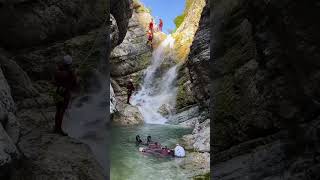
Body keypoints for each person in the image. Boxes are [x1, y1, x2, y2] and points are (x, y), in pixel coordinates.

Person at [54, 55, 78, 135]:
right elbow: (75, 84)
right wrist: (74, 75)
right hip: (65, 94)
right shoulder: (70, 73)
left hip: (57, 92)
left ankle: (56, 127)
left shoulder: (58, 72)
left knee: (58, 111)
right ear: (69, 64)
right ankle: (59, 129)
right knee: (61, 111)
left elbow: (55, 81)